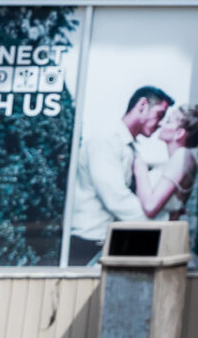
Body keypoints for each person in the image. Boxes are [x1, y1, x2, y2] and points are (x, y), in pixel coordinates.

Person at [66, 84, 171, 265]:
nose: (160, 123)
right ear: (142, 105)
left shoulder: (130, 147)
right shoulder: (107, 139)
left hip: (106, 240)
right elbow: (115, 197)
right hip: (89, 242)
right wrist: (164, 223)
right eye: (159, 115)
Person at [133, 101, 198, 221]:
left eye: (168, 121)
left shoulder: (182, 155)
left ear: (179, 133)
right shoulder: (181, 158)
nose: (161, 123)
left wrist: (140, 171)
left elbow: (150, 206)